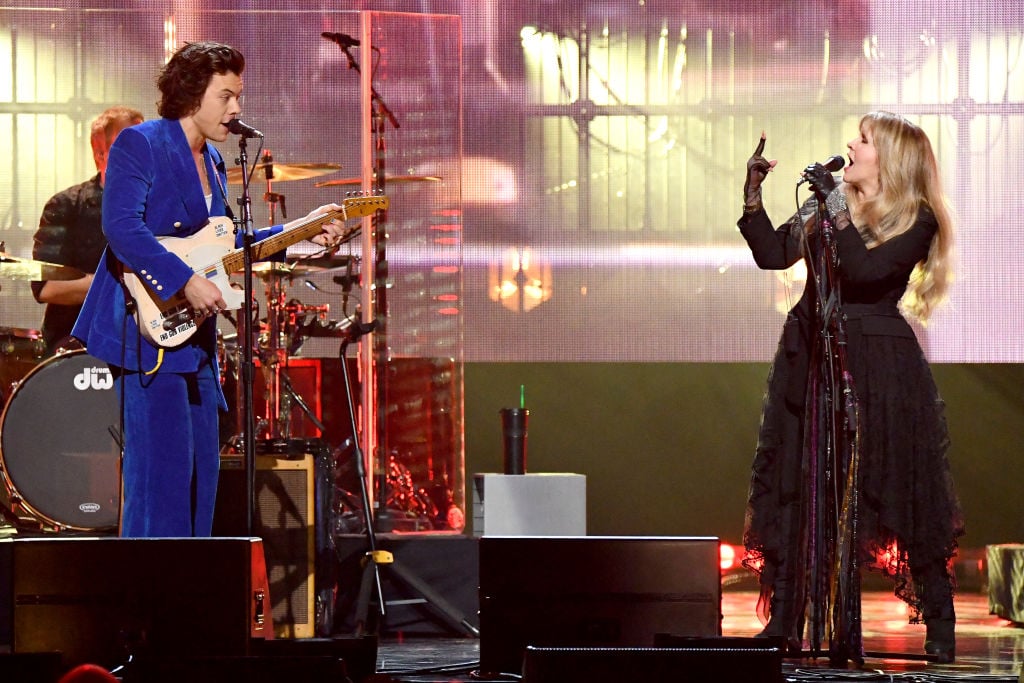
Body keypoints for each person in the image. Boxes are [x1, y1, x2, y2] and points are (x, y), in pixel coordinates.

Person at [72, 41, 348, 538]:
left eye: (237, 96)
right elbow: (121, 227)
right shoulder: (141, 143)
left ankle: (194, 580)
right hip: (147, 333)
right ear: (191, 93)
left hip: (193, 337)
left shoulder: (215, 161)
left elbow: (224, 245)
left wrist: (301, 231)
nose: (236, 108)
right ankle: (150, 587)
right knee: (161, 479)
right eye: (226, 96)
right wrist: (184, 280)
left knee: (203, 473)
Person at [738, 112, 964, 663]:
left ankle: (939, 619)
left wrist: (835, 204)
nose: (850, 145)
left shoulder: (917, 217)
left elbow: (865, 273)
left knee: (900, 483)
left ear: (891, 158)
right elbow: (773, 255)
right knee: (800, 480)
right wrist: (753, 195)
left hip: (878, 364)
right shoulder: (824, 205)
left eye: (863, 140)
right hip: (810, 356)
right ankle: (785, 618)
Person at [32, 106, 145, 353]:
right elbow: (47, 287)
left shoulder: (161, 206)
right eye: (128, 145)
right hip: (77, 344)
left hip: (144, 342)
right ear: (99, 153)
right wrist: (125, 285)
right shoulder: (66, 205)